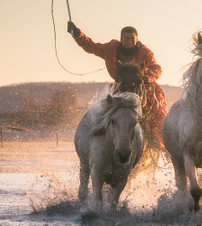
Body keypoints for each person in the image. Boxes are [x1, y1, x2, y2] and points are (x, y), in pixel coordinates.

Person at [67, 21, 168, 149]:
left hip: (143, 87)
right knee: (106, 109)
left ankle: (164, 145)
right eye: (126, 38)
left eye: (132, 39)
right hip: (120, 86)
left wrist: (146, 78)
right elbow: (91, 47)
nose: (129, 41)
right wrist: (77, 35)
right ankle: (100, 137)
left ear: (137, 40)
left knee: (159, 115)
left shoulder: (145, 52)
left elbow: (156, 68)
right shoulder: (111, 48)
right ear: (121, 39)